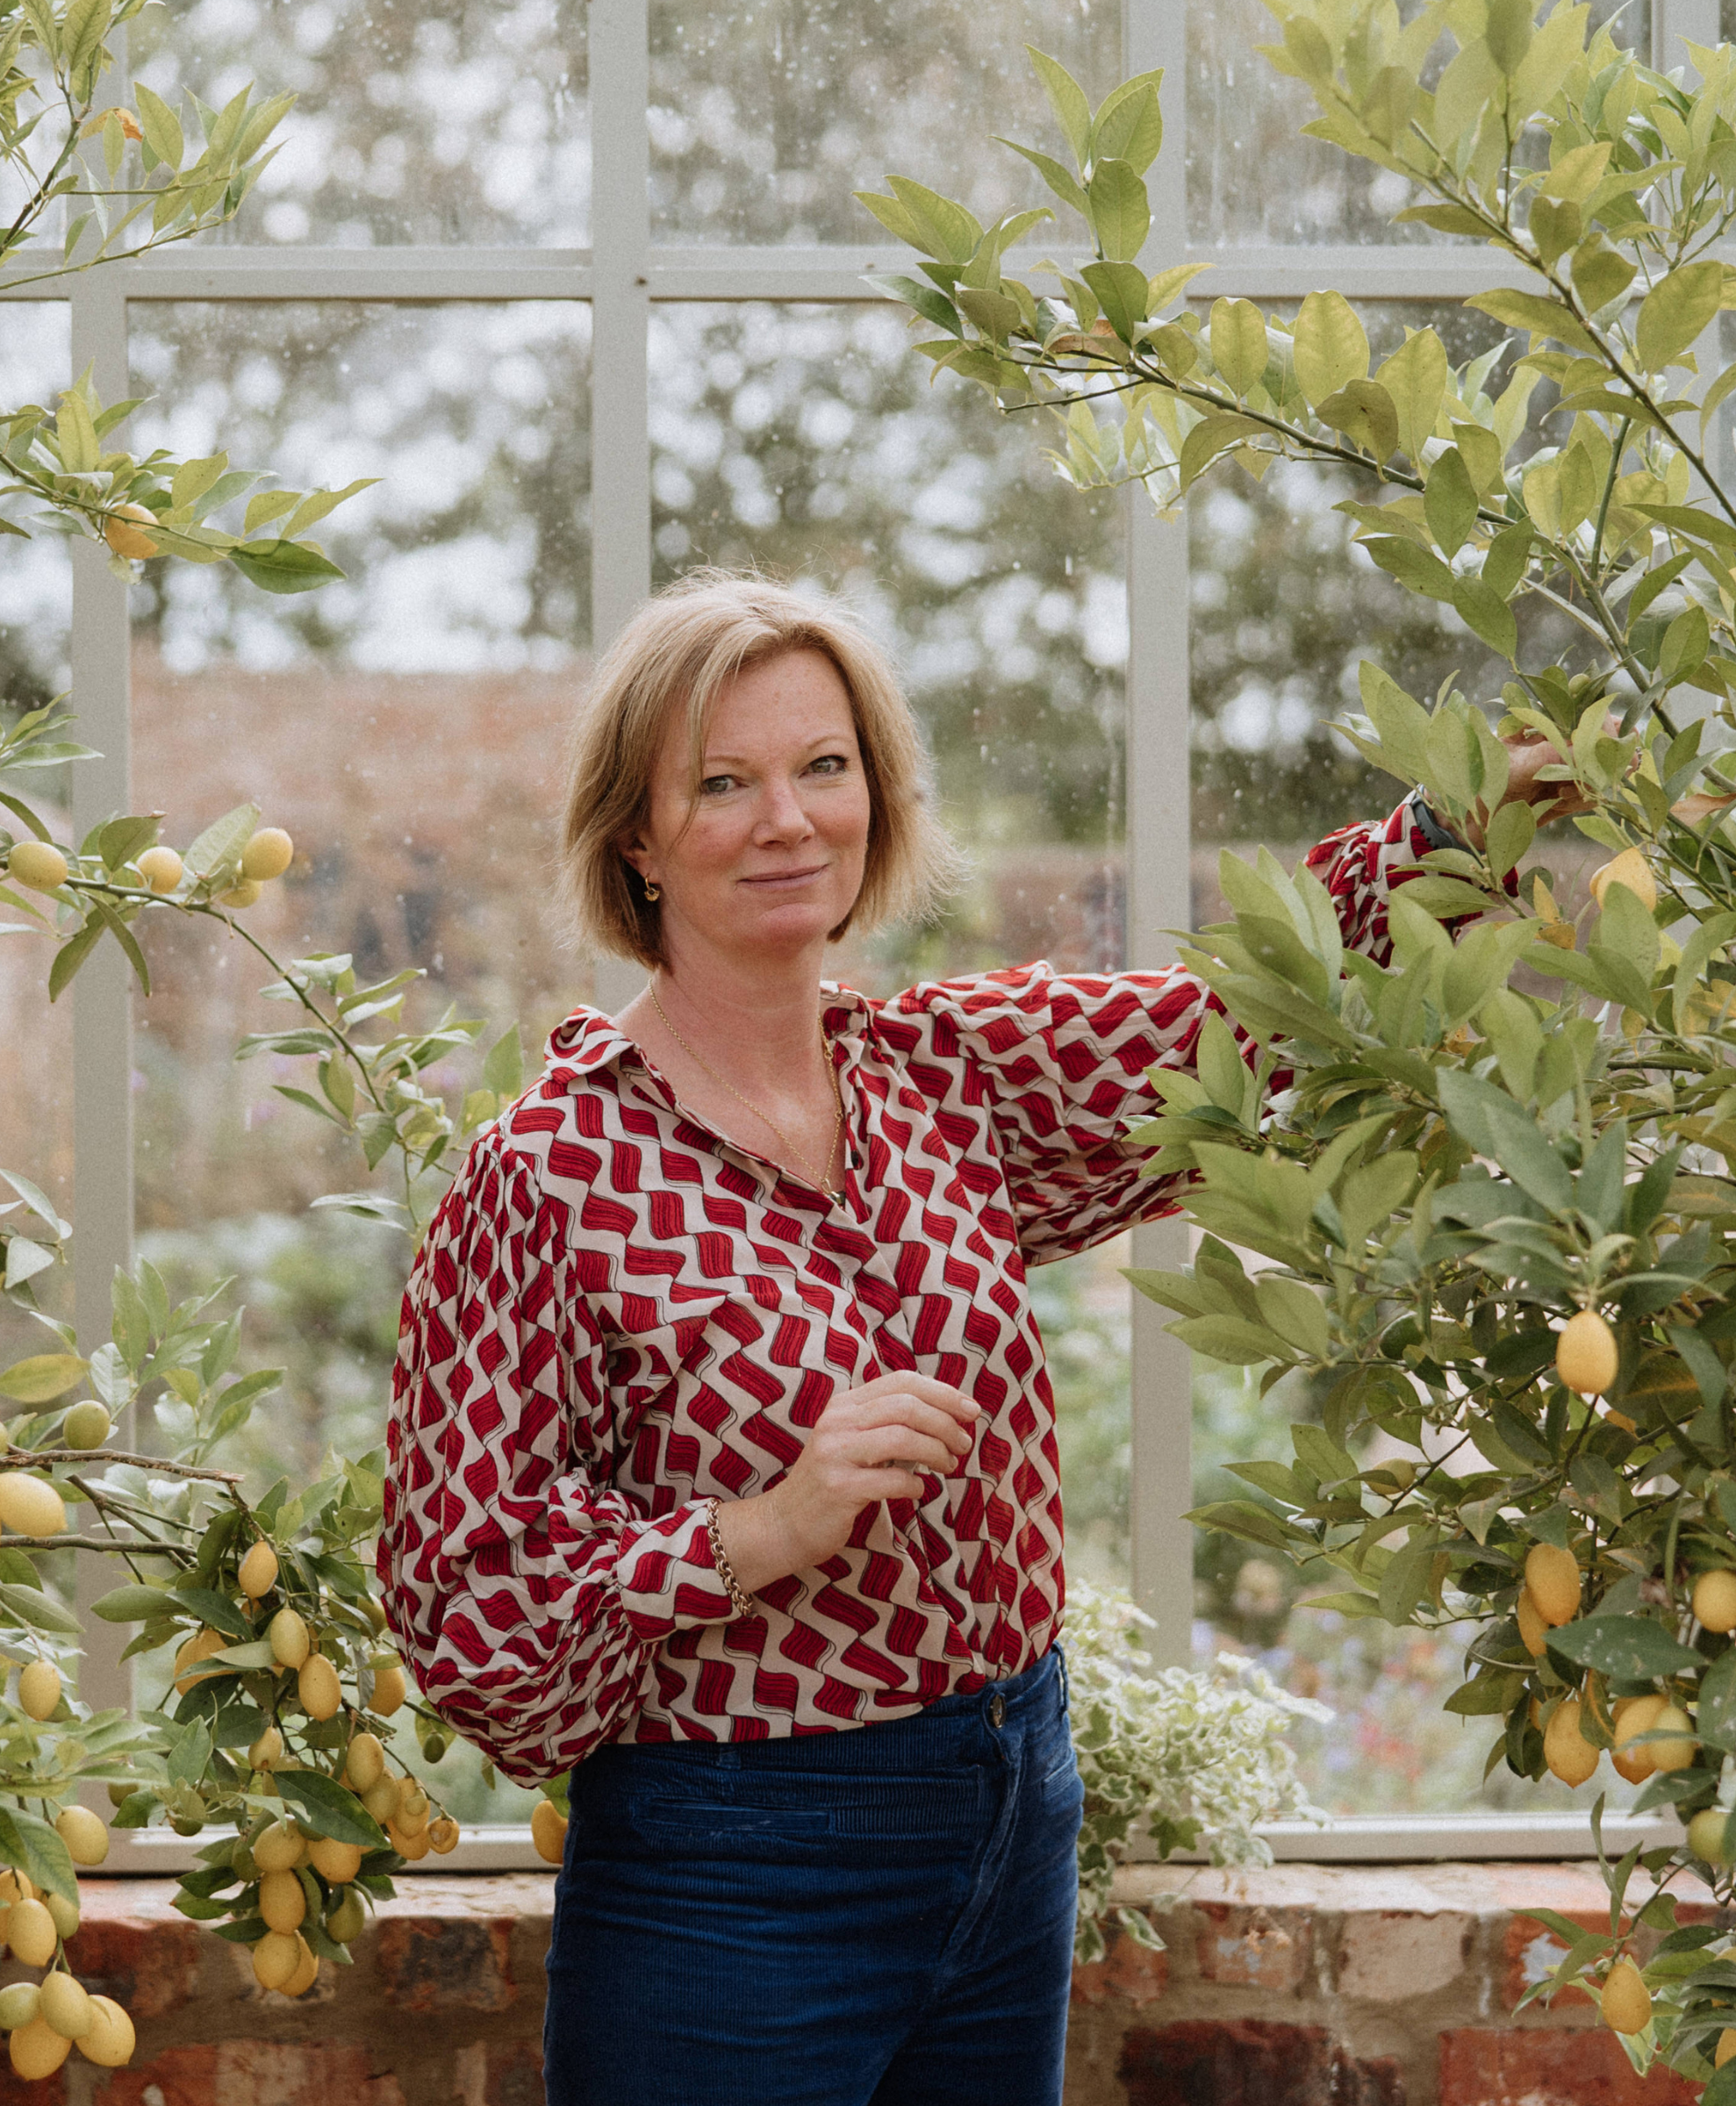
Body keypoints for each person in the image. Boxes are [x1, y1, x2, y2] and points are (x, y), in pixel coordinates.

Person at [378, 573, 1565, 2104]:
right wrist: (759, 1529)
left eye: (825, 766)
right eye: (722, 784)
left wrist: (1456, 831)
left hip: (1013, 1803)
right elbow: (467, 1613)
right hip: (737, 1872)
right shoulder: (548, 1175)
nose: (788, 819)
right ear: (637, 840)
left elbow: (1233, 1017)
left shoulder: (947, 1074)